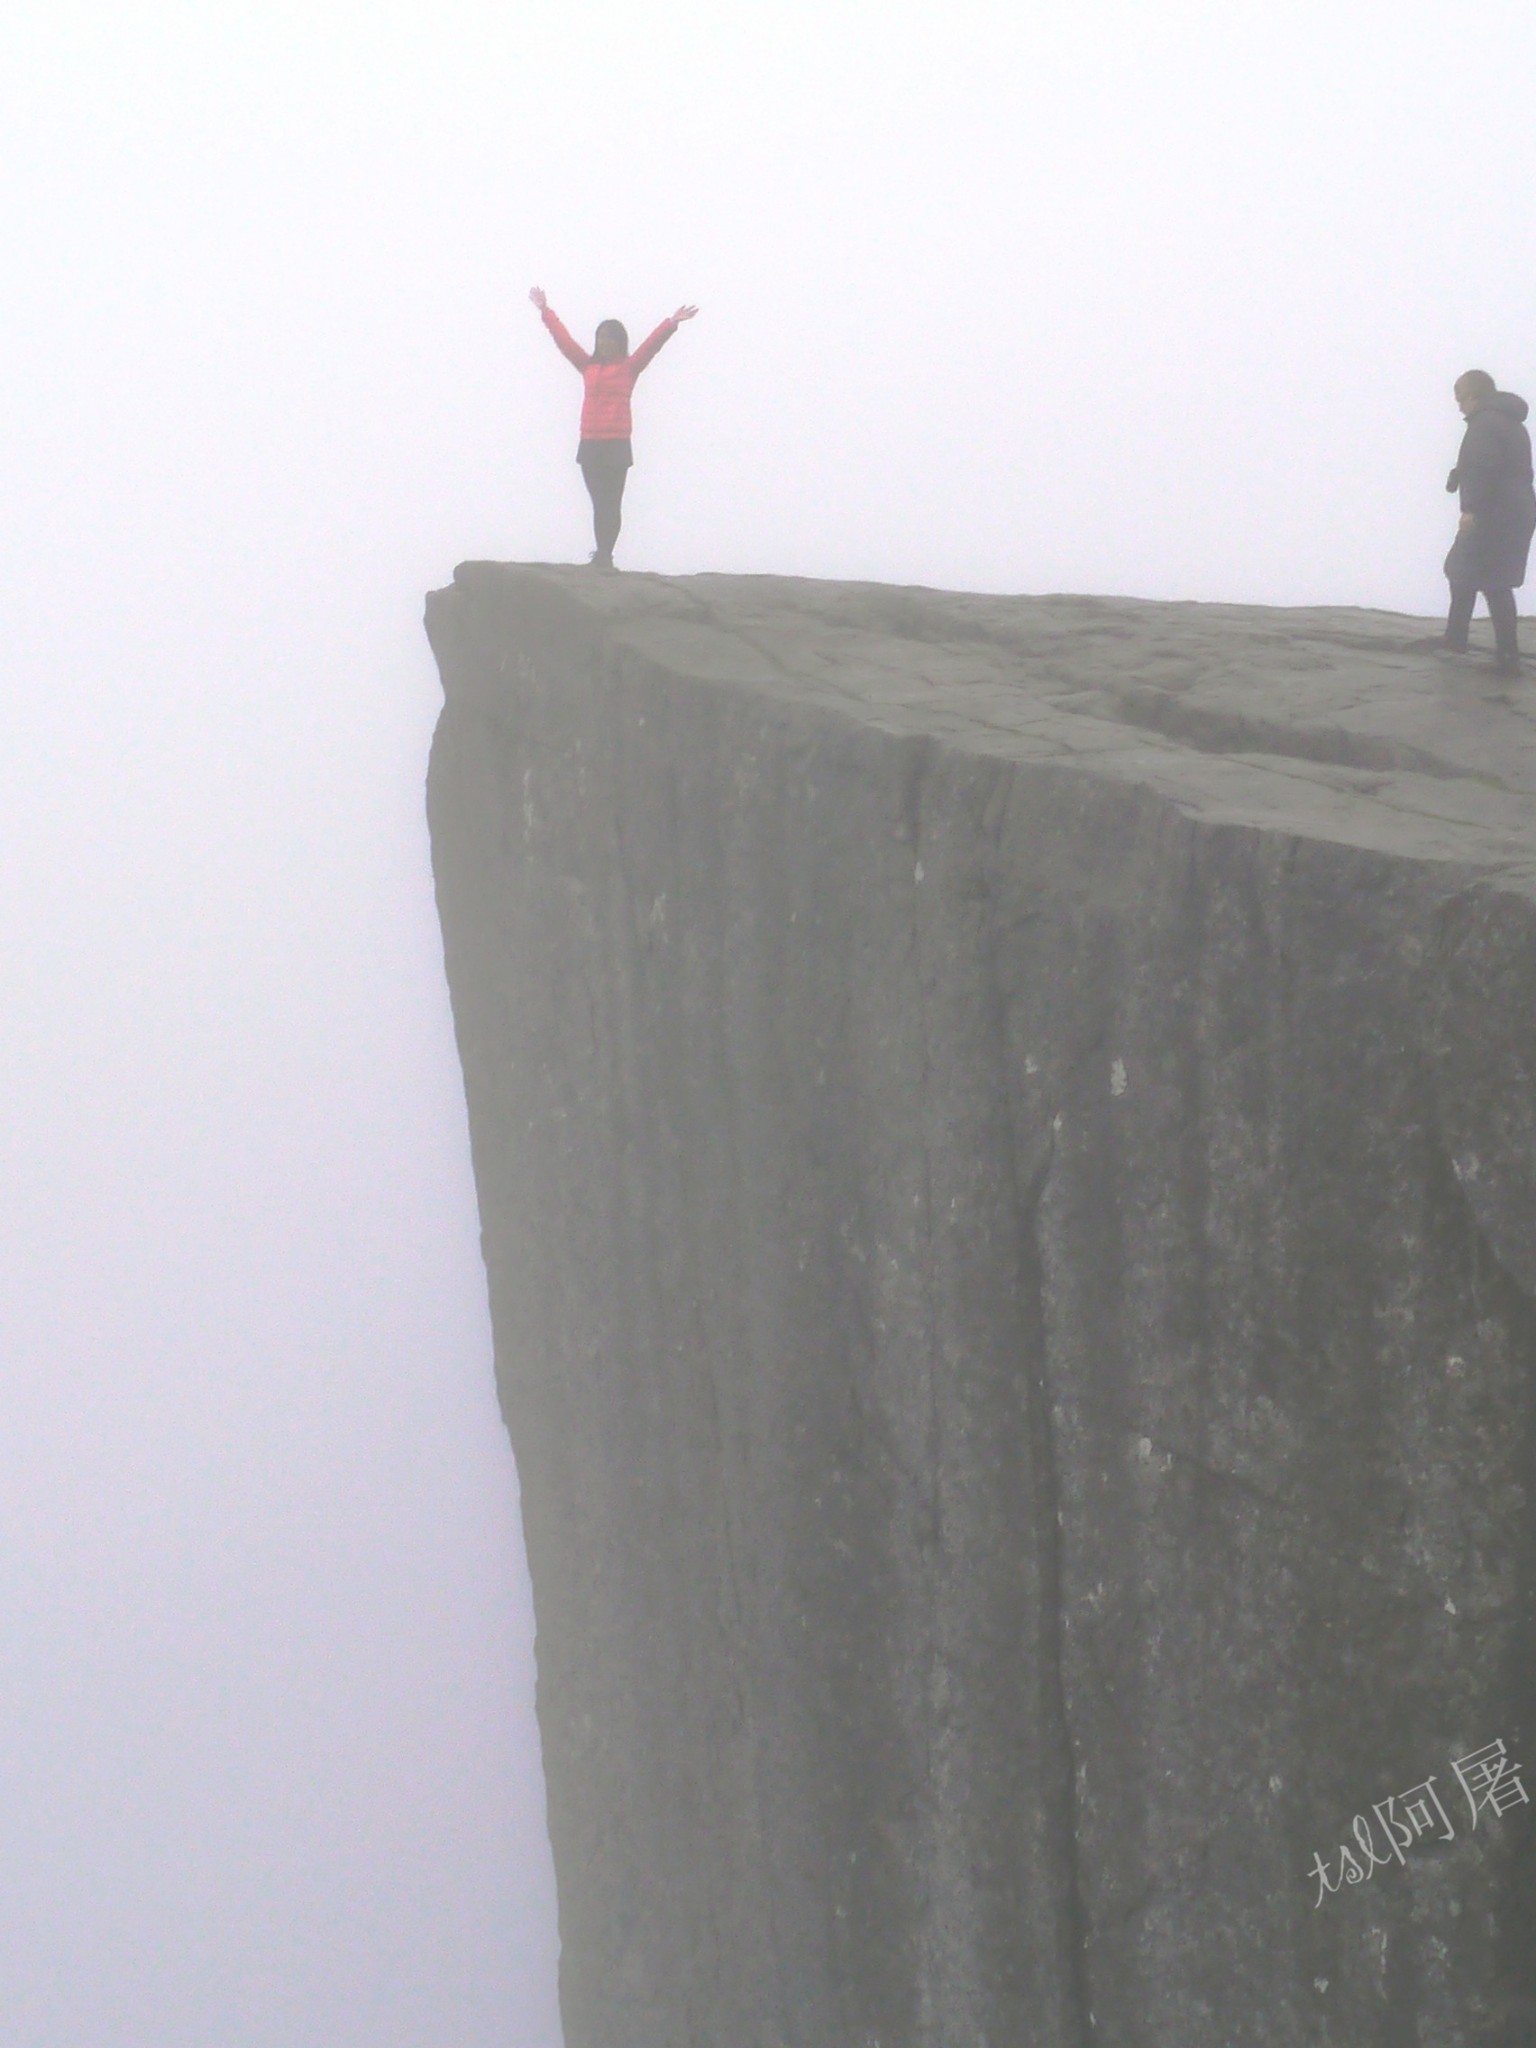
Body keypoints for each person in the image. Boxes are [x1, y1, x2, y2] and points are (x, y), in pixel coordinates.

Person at [529, 287, 699, 569]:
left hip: (616, 443)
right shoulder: (587, 367)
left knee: (611, 503)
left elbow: (650, 347)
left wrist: (671, 323)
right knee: (599, 503)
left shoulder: (629, 368)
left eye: (609, 337)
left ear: (620, 342)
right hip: (590, 442)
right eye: (600, 337)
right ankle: (602, 555)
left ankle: (605, 555)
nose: (603, 342)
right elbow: (565, 342)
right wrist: (545, 311)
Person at [1430, 370, 1536, 678]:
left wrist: (1471, 509)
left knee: (1475, 575)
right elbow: (1499, 466)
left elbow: (1484, 468)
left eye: (1461, 398)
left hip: (1493, 513)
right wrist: (1457, 474)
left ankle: (1468, 644)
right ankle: (1496, 650)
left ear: (1474, 395)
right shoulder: (1509, 422)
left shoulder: (1485, 423)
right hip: (1517, 511)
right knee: (1484, 577)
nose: (1459, 406)